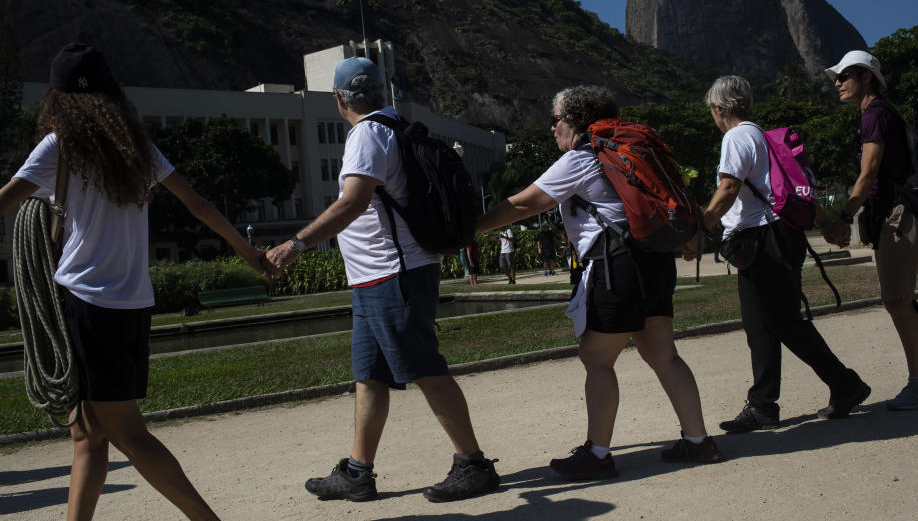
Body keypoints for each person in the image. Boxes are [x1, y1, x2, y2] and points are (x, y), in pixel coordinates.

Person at [0, 43, 274, 521]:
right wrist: (244, 249)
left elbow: (3, 202)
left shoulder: (59, 146)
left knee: (128, 433)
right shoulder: (136, 147)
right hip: (131, 304)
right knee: (87, 434)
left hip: (87, 302)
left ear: (56, 98)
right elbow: (199, 205)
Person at [266, 57, 499, 502]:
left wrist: (293, 245)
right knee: (370, 376)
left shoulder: (368, 132)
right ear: (382, 92)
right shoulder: (394, 125)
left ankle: (474, 464)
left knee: (426, 369)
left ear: (339, 99)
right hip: (380, 276)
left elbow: (353, 202)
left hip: (395, 273)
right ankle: (357, 472)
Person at [476, 84, 724, 480]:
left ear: (572, 120)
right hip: (655, 259)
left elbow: (525, 203)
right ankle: (699, 442)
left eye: (554, 120)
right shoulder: (628, 149)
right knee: (663, 353)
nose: (551, 129)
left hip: (616, 264)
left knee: (596, 357)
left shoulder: (583, 156)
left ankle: (597, 454)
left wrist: (470, 229)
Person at [685, 75, 870, 433]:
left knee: (781, 322)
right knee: (762, 325)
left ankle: (845, 385)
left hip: (761, 239)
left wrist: (702, 226)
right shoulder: (763, 137)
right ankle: (763, 405)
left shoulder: (736, 136)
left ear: (719, 108)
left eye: (711, 109)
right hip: (777, 236)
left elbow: (728, 187)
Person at [821, 51, 918, 408]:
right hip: (899, 216)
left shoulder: (875, 115)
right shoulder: (880, 114)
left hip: (899, 217)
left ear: (866, 77)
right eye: (837, 77)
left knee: (896, 301)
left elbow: (867, 175)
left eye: (845, 75)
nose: (838, 83)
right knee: (904, 300)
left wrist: (844, 216)